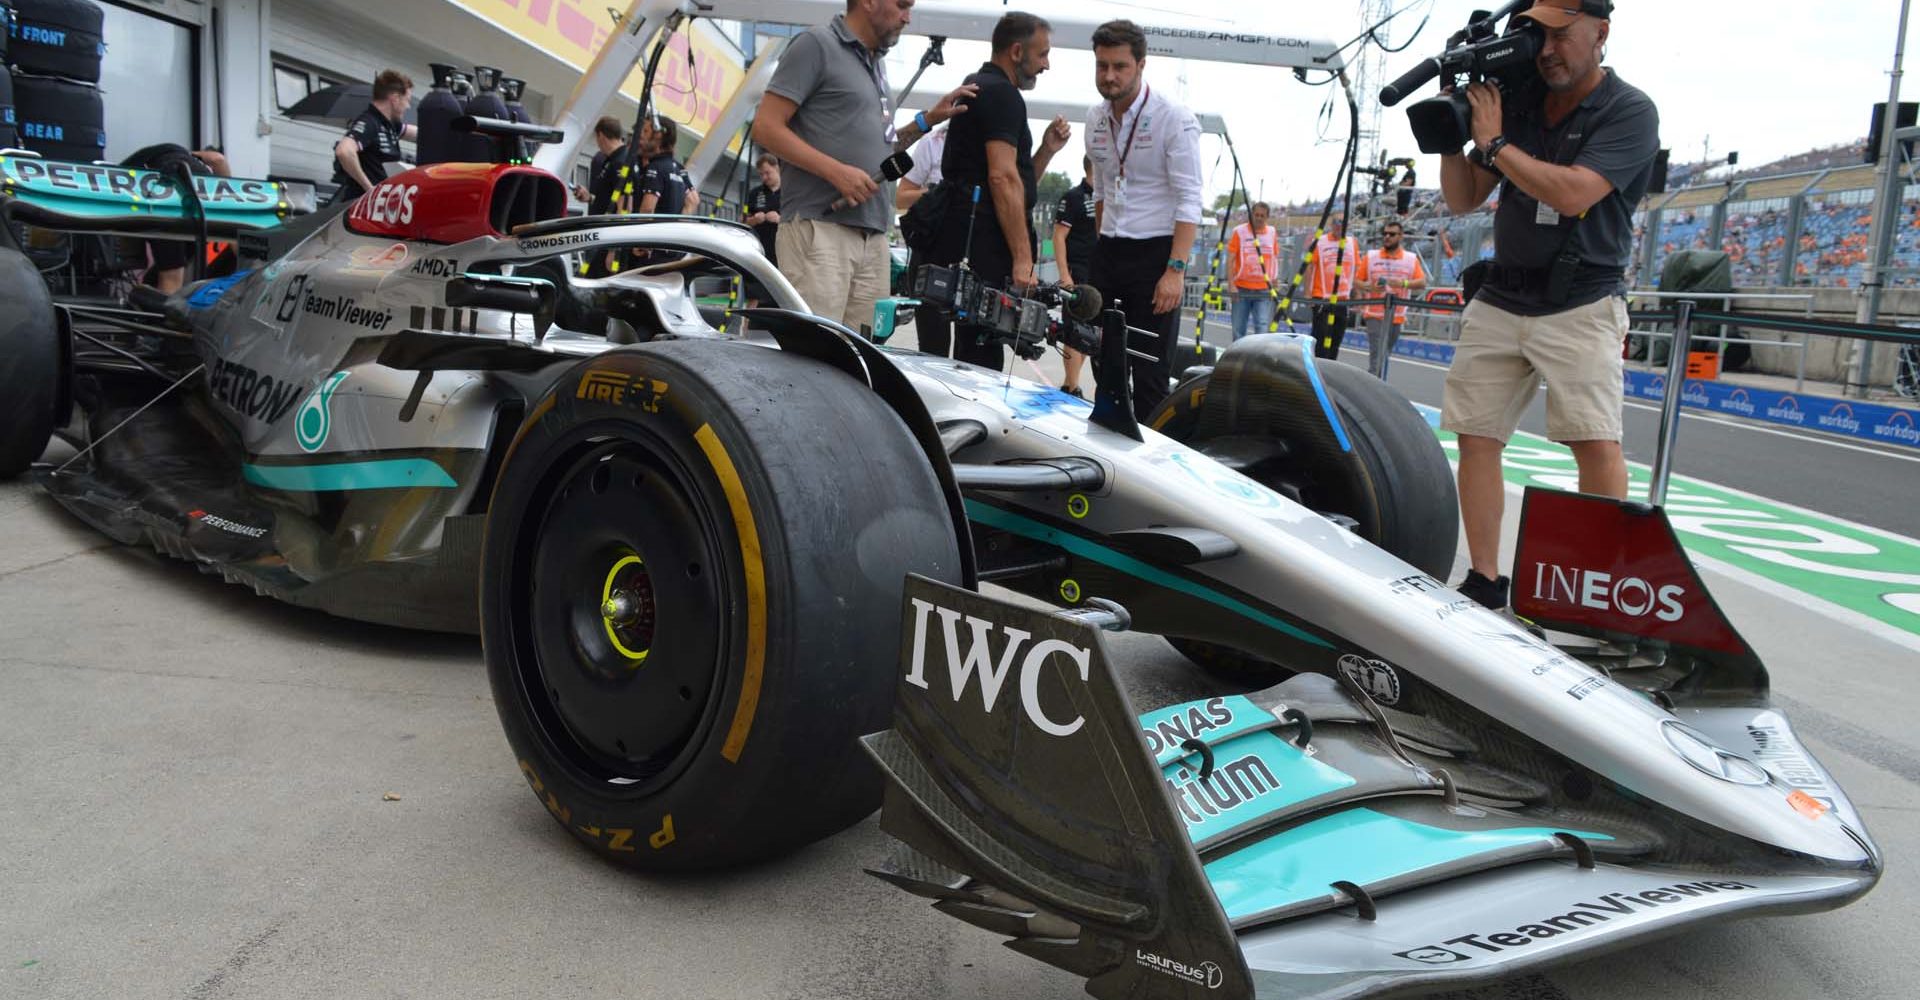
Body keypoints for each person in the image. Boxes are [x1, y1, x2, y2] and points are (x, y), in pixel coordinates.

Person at [1437, 0, 1659, 610]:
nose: (1548, 49)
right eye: (1540, 35)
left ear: (1601, 33)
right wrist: (1450, 137)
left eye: (1563, 35)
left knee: (1594, 441)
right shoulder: (1523, 98)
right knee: (1476, 437)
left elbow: (1573, 195)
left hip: (1582, 300)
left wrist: (1497, 141)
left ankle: (1594, 589)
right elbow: (1462, 197)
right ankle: (1485, 579)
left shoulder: (1629, 109)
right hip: (1503, 293)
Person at [752, 0, 974, 332]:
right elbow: (765, 128)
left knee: (860, 361)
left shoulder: (876, 67)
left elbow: (880, 152)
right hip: (821, 230)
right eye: (902, 5)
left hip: (872, 236)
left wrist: (926, 120)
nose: (907, 17)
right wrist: (835, 172)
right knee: (816, 358)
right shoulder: (817, 45)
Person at [929, 12, 1070, 372]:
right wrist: (1024, 260)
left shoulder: (978, 85)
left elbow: (1013, 181)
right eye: (1042, 55)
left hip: (962, 239)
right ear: (1017, 51)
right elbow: (1002, 180)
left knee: (961, 355)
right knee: (979, 363)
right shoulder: (1004, 96)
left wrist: (1045, 151)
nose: (1047, 65)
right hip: (983, 250)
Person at [1085, 19, 1204, 419]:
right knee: (1102, 362)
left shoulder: (1174, 117)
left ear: (1140, 65)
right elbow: (1101, 190)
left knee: (1150, 373)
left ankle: (1153, 460)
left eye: (1119, 66)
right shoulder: (1095, 119)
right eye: (1102, 66)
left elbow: (1190, 198)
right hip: (1110, 251)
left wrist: (1176, 269)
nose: (1109, 75)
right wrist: (1102, 248)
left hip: (1156, 254)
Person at [124, 144, 231, 293]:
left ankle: (155, 308)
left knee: (171, 274)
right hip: (195, 206)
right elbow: (218, 160)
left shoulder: (167, 153)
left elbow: (217, 158)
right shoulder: (187, 159)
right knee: (174, 267)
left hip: (163, 198)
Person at [896, 124, 952, 356]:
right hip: (932, 250)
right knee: (933, 344)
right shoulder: (933, 141)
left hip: (976, 250)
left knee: (975, 349)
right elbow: (901, 198)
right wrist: (939, 191)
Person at [330, 69, 416, 206]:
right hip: (362, 209)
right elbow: (344, 151)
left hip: (382, 207)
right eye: (407, 100)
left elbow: (417, 133)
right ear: (395, 99)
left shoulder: (390, 125)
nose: (408, 106)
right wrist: (370, 190)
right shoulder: (370, 122)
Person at [1355, 219, 1428, 375]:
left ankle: (1375, 381)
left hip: (1397, 316)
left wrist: (1403, 283)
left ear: (1401, 236)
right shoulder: (1371, 256)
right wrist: (1370, 287)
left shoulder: (1410, 259)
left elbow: (1422, 283)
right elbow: (1357, 281)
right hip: (1374, 314)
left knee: (1384, 354)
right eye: (1385, 234)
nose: (1387, 237)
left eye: (1392, 234)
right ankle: (1373, 389)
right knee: (1377, 355)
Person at [1052, 156, 1098, 394]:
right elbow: (1058, 236)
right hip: (1077, 272)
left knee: (1090, 333)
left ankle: (1073, 382)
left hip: (1100, 273)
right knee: (1074, 329)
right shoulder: (1073, 197)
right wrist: (1064, 275)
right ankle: (1071, 385)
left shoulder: (1109, 197)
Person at [1305, 216, 1358, 359]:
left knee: (1336, 341)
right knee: (1320, 339)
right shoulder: (1320, 241)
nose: (1339, 225)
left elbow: (1354, 269)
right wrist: (1308, 293)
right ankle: (1315, 370)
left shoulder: (1352, 243)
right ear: (1331, 224)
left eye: (1343, 222)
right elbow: (1309, 266)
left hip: (1343, 299)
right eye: (1336, 222)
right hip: (1322, 298)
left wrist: (1356, 295)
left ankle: (1329, 372)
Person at [1226, 201, 1280, 340]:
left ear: (1267, 217)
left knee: (1262, 328)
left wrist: (1275, 278)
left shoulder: (1272, 232)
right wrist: (1231, 285)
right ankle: (1237, 359)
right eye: (1256, 215)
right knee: (1238, 329)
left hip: (1263, 289)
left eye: (1262, 215)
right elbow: (1230, 259)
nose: (1259, 218)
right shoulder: (1239, 231)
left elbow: (1274, 258)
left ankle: (1258, 360)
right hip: (1241, 289)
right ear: (1251, 215)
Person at [633, 117, 699, 216]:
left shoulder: (655, 167)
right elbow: (693, 200)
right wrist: (676, 226)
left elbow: (647, 209)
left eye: (646, 131)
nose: (641, 136)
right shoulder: (679, 168)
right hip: (669, 230)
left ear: (658, 136)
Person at [743, 153, 783, 306]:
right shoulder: (755, 193)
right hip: (760, 251)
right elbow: (744, 221)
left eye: (767, 173)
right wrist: (754, 219)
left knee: (782, 293)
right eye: (761, 174)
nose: (764, 177)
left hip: (783, 250)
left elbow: (801, 220)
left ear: (777, 168)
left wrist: (780, 219)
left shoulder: (790, 193)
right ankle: (744, 328)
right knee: (754, 292)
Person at [572, 116, 629, 215]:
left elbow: (624, 206)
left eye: (596, 138)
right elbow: (609, 200)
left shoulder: (620, 162)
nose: (597, 144)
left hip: (609, 227)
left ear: (601, 136)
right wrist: (589, 198)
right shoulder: (612, 160)